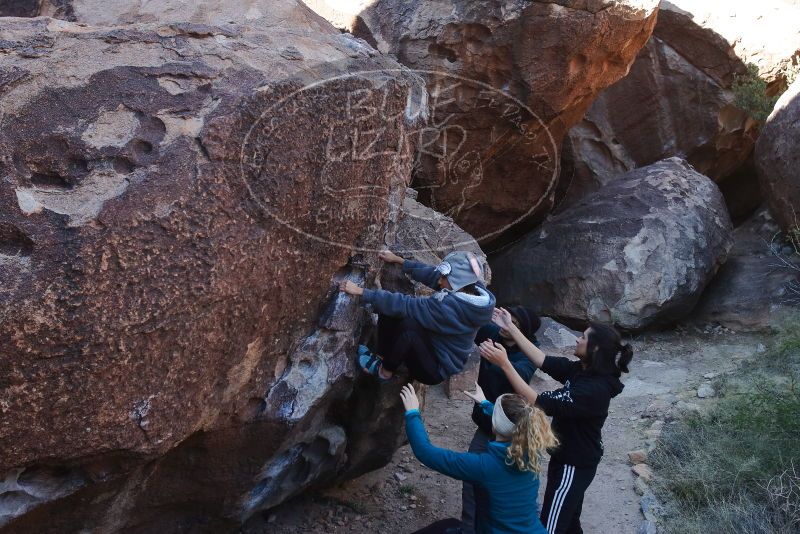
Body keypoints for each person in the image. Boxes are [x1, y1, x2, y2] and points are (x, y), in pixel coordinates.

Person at [479, 309, 633, 534]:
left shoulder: (593, 390)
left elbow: (537, 401)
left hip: (573, 464)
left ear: (596, 348)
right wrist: (511, 327)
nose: (578, 339)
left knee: (549, 528)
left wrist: (504, 364)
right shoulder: (582, 370)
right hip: (569, 459)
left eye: (583, 337)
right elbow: (542, 360)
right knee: (569, 523)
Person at [399, 383, 557, 534]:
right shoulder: (531, 451)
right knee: (449, 525)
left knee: (445, 526)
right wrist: (485, 404)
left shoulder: (484, 466)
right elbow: (511, 421)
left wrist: (413, 413)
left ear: (495, 424)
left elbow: (426, 453)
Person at [339, 250, 495, 385]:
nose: (439, 281)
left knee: (408, 327)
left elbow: (406, 305)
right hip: (434, 345)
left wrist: (361, 292)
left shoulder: (448, 307)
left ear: (457, 283)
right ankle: (381, 356)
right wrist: (400, 261)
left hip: (435, 369)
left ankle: (384, 372)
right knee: (393, 313)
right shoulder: (471, 288)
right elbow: (433, 275)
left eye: (444, 278)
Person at [462, 306, 541, 534]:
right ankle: (468, 529)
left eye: (514, 324)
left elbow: (523, 374)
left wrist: (500, 361)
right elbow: (469, 321)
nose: (507, 326)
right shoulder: (492, 333)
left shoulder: (529, 352)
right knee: (471, 482)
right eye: (507, 320)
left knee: (508, 487)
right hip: (487, 423)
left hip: (512, 431)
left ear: (523, 331)